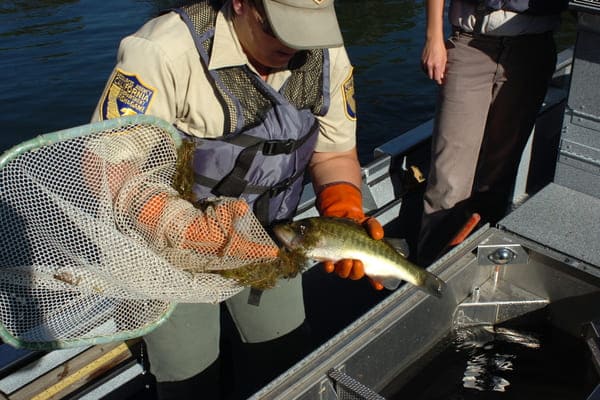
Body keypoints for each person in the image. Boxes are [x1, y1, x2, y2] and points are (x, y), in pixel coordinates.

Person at [91, 0, 384, 398]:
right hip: (165, 253)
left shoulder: (322, 48)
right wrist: (186, 228)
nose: (293, 46)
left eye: (306, 29)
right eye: (277, 28)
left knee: (286, 359)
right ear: (241, 3)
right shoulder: (160, 50)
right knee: (188, 380)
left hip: (271, 238)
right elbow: (106, 170)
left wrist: (342, 204)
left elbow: (334, 152)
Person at [417, 0, 567, 265]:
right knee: (448, 178)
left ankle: (479, 264)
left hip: (532, 50)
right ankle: (430, 268)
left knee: (499, 173)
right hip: (470, 43)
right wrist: (434, 37)